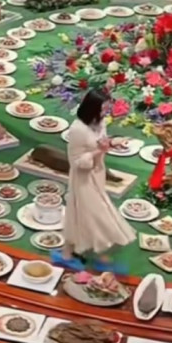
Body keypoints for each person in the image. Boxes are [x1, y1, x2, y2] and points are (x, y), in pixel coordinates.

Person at [53, 89, 135, 271]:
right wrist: (101, 150)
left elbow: (101, 141)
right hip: (82, 177)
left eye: (107, 108)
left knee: (81, 214)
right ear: (92, 108)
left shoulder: (100, 122)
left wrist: (112, 143)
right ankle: (97, 252)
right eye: (103, 109)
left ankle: (69, 252)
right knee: (93, 213)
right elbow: (76, 161)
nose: (106, 112)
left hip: (97, 173)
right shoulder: (78, 129)